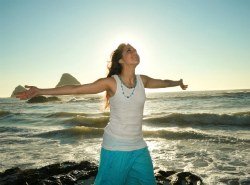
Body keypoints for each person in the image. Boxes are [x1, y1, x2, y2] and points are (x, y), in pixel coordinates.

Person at [16, 43, 188, 185]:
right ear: (121, 60)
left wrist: (178, 82)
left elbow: (163, 83)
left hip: (139, 146)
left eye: (135, 49)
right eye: (130, 50)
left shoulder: (142, 80)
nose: (135, 52)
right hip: (115, 147)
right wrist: (40, 91)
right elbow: (76, 89)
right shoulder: (111, 83)